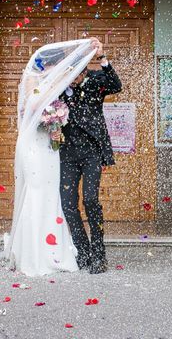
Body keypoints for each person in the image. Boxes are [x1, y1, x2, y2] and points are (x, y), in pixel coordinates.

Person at [4, 39, 97, 276]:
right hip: (33, 145)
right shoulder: (32, 81)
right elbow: (31, 109)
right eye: (55, 66)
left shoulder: (54, 81)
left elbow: (71, 74)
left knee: (51, 195)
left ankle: (53, 251)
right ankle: (32, 253)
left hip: (50, 147)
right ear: (47, 66)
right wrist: (51, 116)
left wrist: (90, 50)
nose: (57, 70)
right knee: (35, 193)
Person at [59, 38, 122, 274]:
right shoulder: (60, 86)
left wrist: (102, 58)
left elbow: (116, 85)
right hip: (67, 153)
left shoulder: (95, 80)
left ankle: (99, 254)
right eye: (69, 72)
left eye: (76, 72)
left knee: (90, 200)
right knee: (67, 205)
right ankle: (83, 252)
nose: (73, 78)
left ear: (84, 70)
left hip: (91, 152)